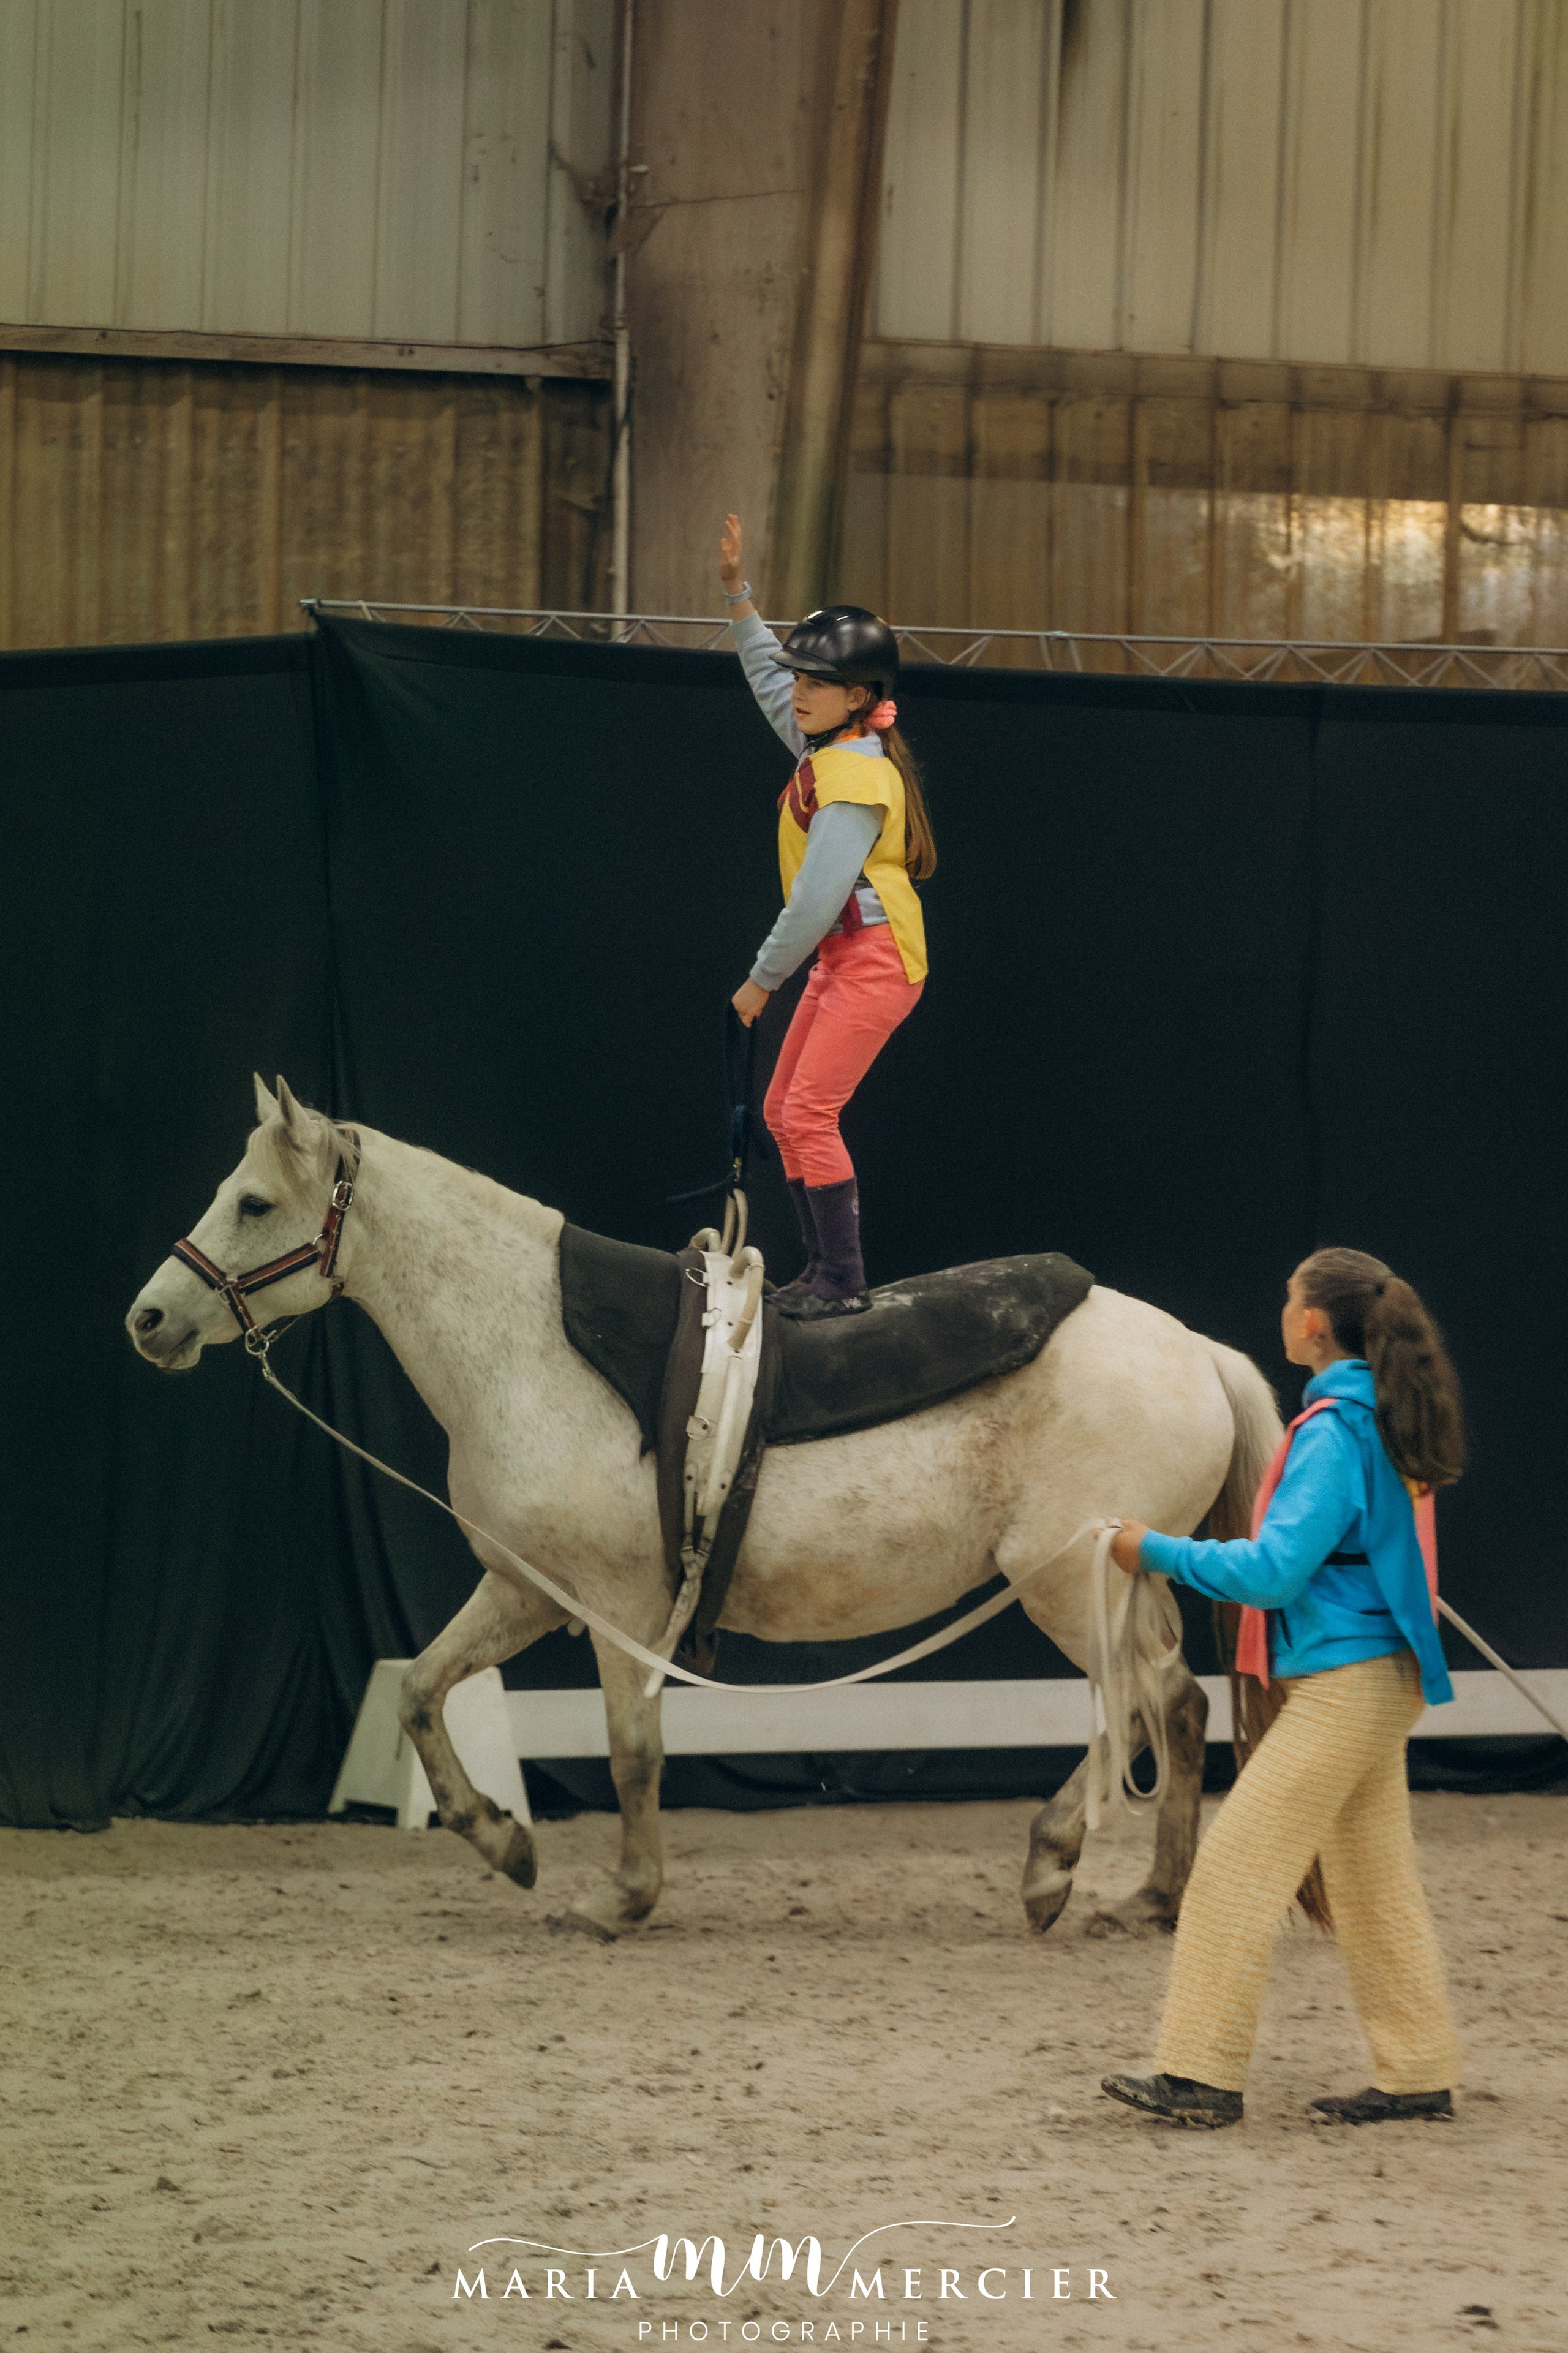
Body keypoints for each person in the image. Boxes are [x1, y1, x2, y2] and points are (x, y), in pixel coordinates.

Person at [1099, 1247, 1466, 2129]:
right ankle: (1418, 2068)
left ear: (1311, 1322)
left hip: (1343, 1684)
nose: (1283, 1309)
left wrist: (1151, 1549)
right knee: (1375, 1880)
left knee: (1229, 1872)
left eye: (1289, 1298)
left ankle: (1200, 2074)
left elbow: (1272, 1571)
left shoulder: (1336, 1431)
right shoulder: (1378, 1415)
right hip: (1377, 1677)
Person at [718, 513, 935, 1320]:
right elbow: (772, 684)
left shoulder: (854, 781)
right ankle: (823, 1269)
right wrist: (738, 597)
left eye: (816, 682)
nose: (798, 691)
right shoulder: (828, 747)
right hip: (848, 958)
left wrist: (759, 982)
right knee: (783, 1111)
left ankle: (842, 1280)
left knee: (807, 1111)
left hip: (874, 962)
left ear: (860, 698)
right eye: (801, 679)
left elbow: (814, 900)